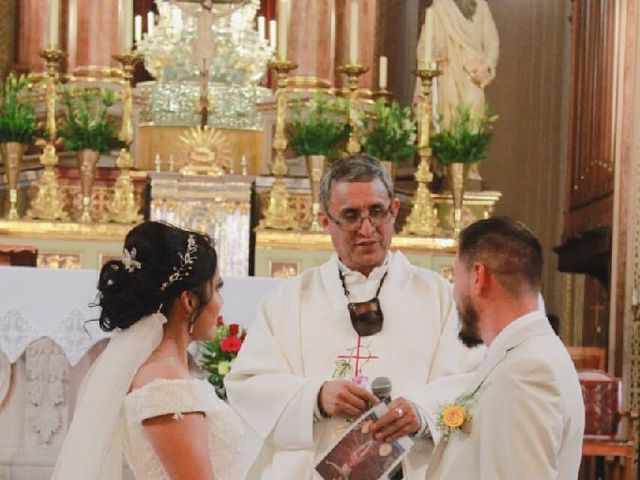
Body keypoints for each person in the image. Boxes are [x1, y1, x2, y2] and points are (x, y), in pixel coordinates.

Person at [225, 154, 483, 479]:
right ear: (324, 221)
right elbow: (247, 385)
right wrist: (316, 397)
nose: (367, 228)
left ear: (395, 212)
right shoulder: (287, 301)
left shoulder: (441, 298)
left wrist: (421, 411)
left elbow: (476, 380)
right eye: (351, 216)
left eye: (377, 212)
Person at [52, 221, 243, 480]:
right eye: (217, 288)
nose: (221, 302)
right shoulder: (166, 385)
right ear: (189, 301)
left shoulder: (165, 372)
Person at [425, 217, 585, 479]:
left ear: (478, 276)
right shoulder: (524, 355)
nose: (454, 292)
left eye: (456, 277)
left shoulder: (527, 371)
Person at [415, 0, 500, 127]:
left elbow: (492, 44)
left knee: (472, 126)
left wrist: (485, 67)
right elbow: (424, 49)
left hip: (471, 78)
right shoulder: (439, 8)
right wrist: (439, 48)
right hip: (446, 76)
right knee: (446, 124)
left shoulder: (481, 6)